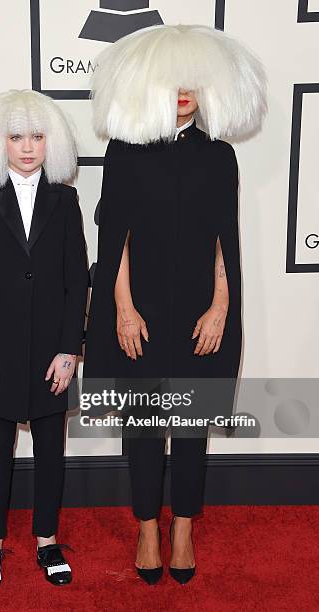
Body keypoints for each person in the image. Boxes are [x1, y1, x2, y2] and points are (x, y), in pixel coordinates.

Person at [83, 24, 267, 585]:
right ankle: (146, 527)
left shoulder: (219, 156)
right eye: (172, 81)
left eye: (193, 81)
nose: (183, 91)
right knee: (142, 425)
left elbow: (224, 243)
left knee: (190, 429)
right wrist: (122, 308)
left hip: (198, 314)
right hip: (139, 310)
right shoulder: (125, 151)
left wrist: (220, 306)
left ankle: (182, 529)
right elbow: (114, 239)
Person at [0, 89, 89, 590]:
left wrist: (69, 348)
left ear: (49, 141)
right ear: (0, 142)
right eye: (17, 136)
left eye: (37, 136)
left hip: (51, 349)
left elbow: (77, 278)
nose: (28, 147)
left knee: (51, 448)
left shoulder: (65, 197)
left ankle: (47, 541)